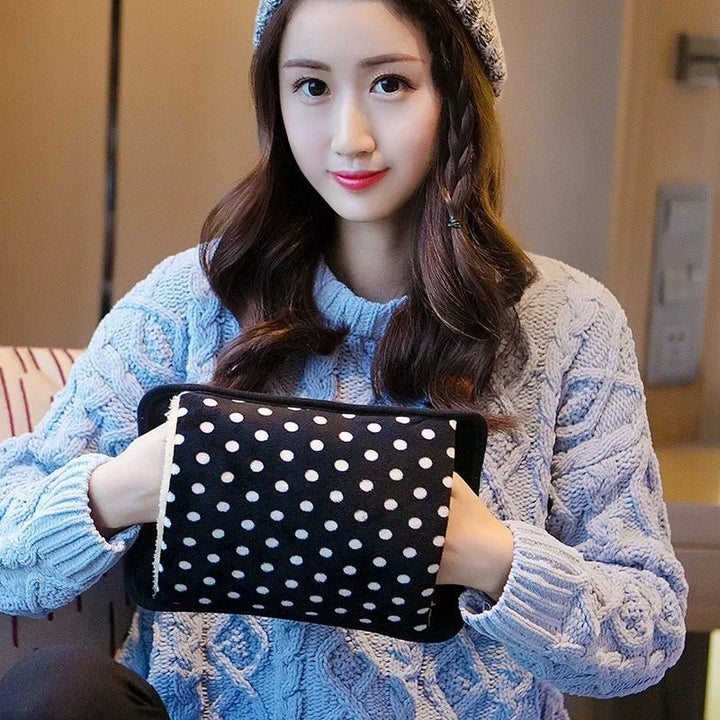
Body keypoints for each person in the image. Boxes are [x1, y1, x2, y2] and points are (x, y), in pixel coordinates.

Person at [0, 0, 688, 718]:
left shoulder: (571, 323)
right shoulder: (190, 301)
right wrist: (123, 489)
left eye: (390, 84)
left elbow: (647, 632)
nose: (349, 138)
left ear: (457, 92)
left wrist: (488, 557)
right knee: (56, 693)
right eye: (312, 87)